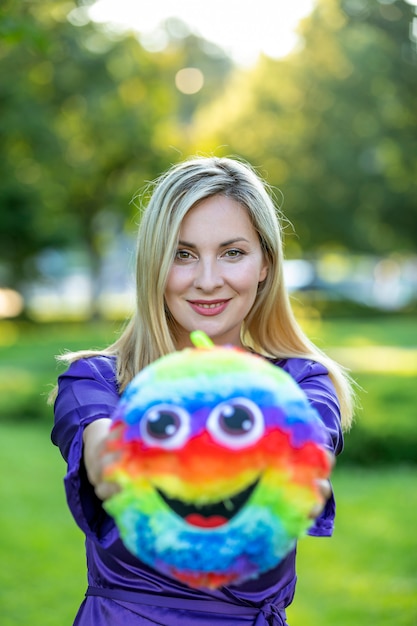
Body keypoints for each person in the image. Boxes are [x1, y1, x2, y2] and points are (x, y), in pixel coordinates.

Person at [51, 155, 354, 625]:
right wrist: (111, 457)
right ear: (154, 262)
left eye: (232, 253)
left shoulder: (300, 381)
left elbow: (307, 434)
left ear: (265, 265)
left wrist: (295, 460)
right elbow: (98, 437)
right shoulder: (95, 380)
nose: (208, 280)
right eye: (183, 254)